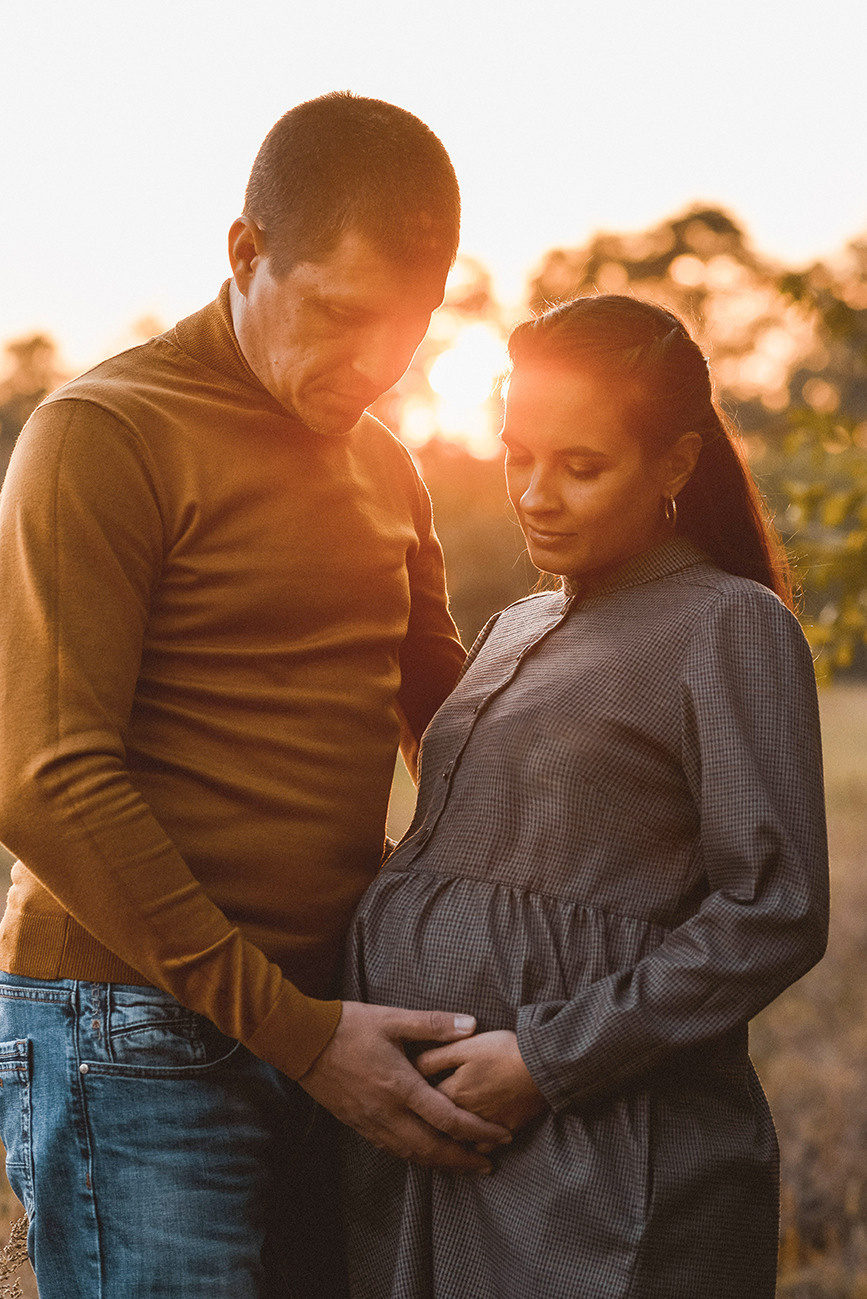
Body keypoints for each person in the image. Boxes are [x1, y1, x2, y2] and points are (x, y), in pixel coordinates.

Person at [0, 92, 510, 1299]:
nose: (374, 365)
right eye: (339, 315)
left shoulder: (386, 462)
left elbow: (446, 712)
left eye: (409, 326)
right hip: (128, 1026)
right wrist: (298, 1033)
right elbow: (40, 777)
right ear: (245, 254)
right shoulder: (105, 435)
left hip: (336, 1011)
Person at [343, 294, 830, 1298]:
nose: (535, 494)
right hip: (442, 1153)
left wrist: (545, 1059)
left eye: (582, 465)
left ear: (677, 466)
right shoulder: (518, 624)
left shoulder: (728, 627)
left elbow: (774, 911)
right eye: (518, 454)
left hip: (603, 1156)